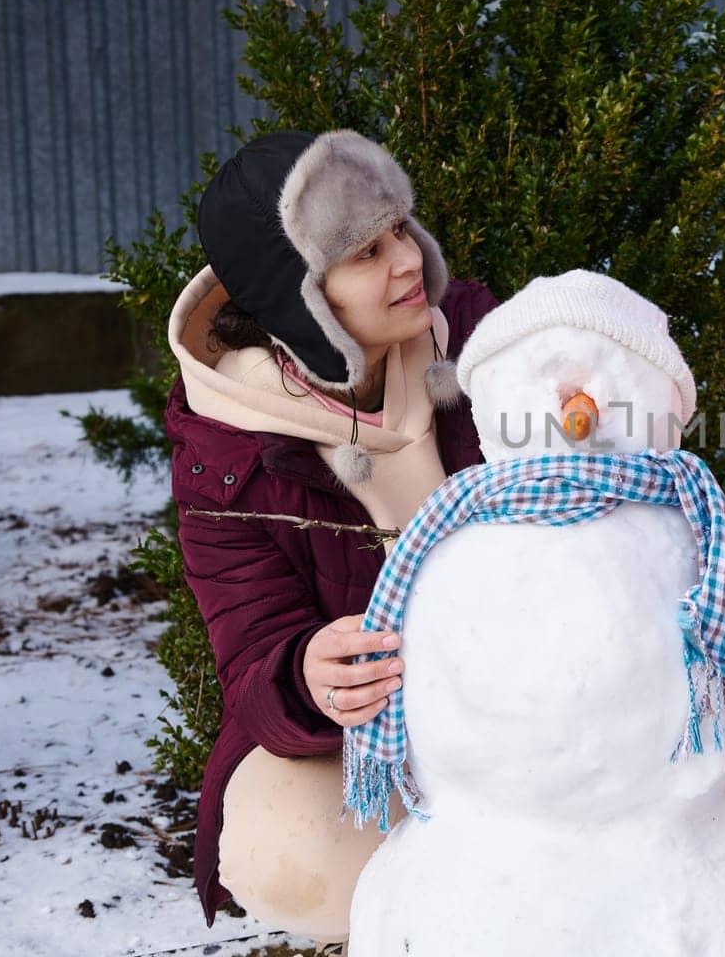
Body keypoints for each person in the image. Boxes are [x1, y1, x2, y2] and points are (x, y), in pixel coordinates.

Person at [163, 129, 498, 943]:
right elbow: (253, 658)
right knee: (287, 850)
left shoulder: (478, 337)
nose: (410, 261)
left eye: (401, 229)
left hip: (512, 689)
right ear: (296, 300)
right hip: (378, 726)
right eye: (364, 252)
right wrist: (305, 675)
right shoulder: (228, 452)